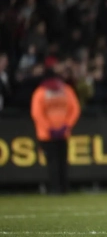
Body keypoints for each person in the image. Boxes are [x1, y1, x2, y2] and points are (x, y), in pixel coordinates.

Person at [31, 63, 80, 195]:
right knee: (60, 161)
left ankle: (57, 188)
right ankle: (62, 188)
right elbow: (74, 109)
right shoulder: (65, 90)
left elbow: (37, 113)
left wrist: (52, 128)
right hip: (57, 133)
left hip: (48, 134)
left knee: (54, 162)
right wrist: (65, 126)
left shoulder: (40, 92)